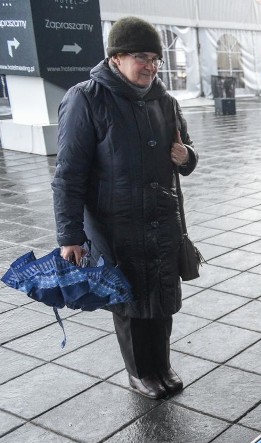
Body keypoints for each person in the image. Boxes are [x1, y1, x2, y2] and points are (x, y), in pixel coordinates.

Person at [53, 16, 199, 400]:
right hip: (115, 225)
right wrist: (70, 235)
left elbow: (188, 154)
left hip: (162, 218)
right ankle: (139, 372)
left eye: (155, 58)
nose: (150, 65)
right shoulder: (86, 99)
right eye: (141, 56)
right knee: (130, 300)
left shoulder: (164, 100)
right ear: (116, 58)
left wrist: (186, 156)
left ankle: (161, 365)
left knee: (162, 298)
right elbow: (68, 174)